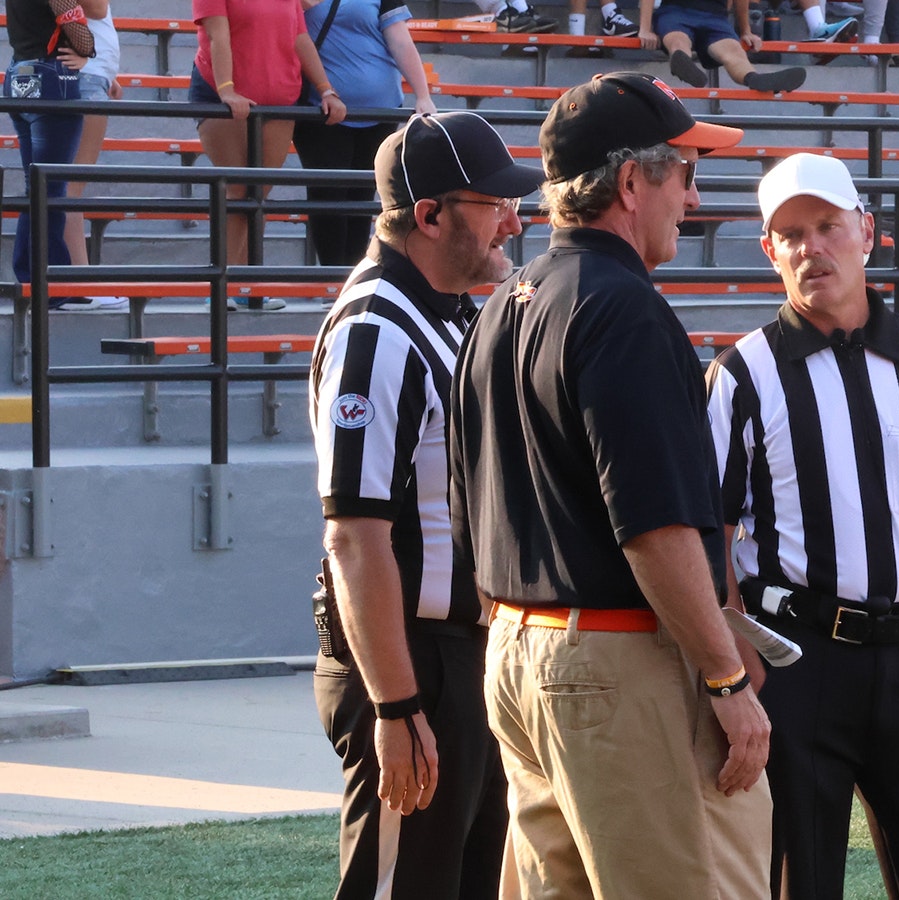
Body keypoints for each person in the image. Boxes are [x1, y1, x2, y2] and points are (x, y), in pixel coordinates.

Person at [448, 72, 771, 899]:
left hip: (518, 648)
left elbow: (468, 503)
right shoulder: (622, 306)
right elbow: (654, 527)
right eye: (685, 173)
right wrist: (725, 678)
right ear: (632, 181)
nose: (691, 199)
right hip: (615, 661)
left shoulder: (501, 304)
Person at [708, 152, 899, 899]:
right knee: (797, 884)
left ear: (867, 232)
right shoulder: (743, 373)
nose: (813, 247)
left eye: (828, 226)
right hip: (797, 666)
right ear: (768, 252)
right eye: (791, 234)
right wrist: (731, 666)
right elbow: (707, 534)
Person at [310, 111, 538, 899]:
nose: (515, 219)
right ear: (431, 214)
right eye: (495, 203)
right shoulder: (378, 328)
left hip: (462, 654)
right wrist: (397, 703)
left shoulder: (452, 311)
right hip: (415, 657)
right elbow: (354, 534)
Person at [191, 0, 346, 309]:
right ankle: (222, 286)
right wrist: (227, 90)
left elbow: (299, 37)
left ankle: (249, 287)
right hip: (223, 95)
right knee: (236, 191)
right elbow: (218, 36)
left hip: (279, 98)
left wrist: (326, 89)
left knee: (258, 194)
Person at [295, 0, 436, 271]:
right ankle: (331, 277)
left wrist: (423, 94)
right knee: (327, 191)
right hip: (321, 109)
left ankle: (351, 275)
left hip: (380, 110)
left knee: (362, 193)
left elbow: (400, 41)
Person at [5, 0, 106, 307]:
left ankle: (30, 276)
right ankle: (51, 282)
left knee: (35, 186)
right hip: (52, 78)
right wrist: (86, 51)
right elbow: (84, 39)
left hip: (18, 74)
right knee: (51, 188)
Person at [55, 2, 127, 310]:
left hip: (92, 76)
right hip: (85, 79)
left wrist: (106, 71)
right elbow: (95, 8)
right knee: (71, 188)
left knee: (72, 186)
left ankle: (78, 284)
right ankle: (78, 286)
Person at [639, 0, 808, 93]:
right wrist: (645, 29)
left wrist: (746, 31)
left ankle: (754, 78)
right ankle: (682, 63)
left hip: (715, 18)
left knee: (733, 50)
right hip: (675, 11)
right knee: (678, 41)